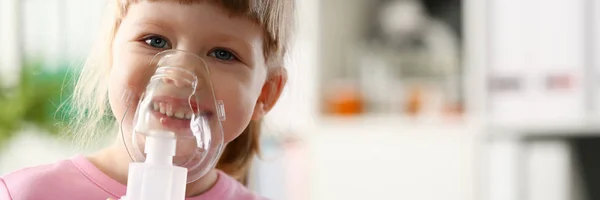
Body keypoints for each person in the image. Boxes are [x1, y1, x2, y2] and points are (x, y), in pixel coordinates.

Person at [0, 0, 294, 199]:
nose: (180, 74)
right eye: (155, 41)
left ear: (265, 93)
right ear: (112, 51)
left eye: (222, 54)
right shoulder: (27, 194)